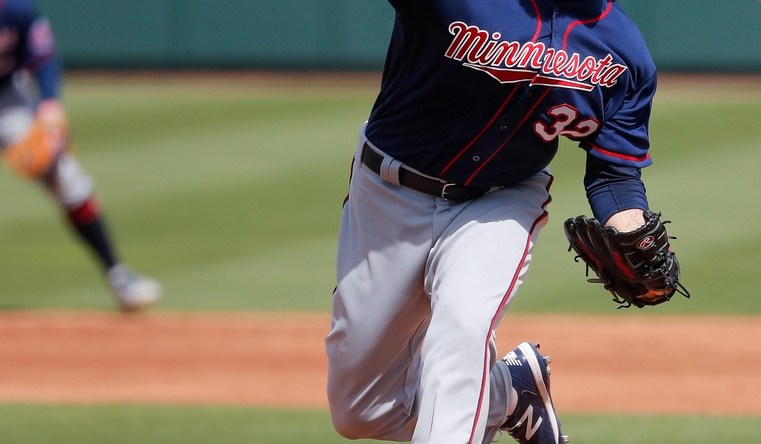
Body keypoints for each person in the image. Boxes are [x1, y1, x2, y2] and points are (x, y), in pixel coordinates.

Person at [326, 1, 674, 443]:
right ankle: (512, 393)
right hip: (388, 192)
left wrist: (631, 231)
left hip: (501, 200)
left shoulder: (624, 52)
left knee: (463, 328)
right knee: (362, 413)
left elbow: (614, 175)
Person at [0, 0, 161, 312]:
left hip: (8, 101)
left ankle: (119, 278)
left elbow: (42, 57)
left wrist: (49, 102)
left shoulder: (16, 9)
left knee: (64, 176)